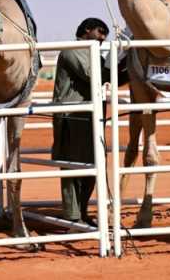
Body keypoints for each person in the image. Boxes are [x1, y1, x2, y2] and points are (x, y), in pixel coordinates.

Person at [51, 18, 127, 228]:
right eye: (100, 31)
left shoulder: (93, 53)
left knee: (95, 164)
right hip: (71, 116)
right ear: (86, 30)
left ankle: (81, 212)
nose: (103, 37)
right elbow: (94, 75)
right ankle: (72, 218)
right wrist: (119, 69)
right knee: (72, 167)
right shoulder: (73, 50)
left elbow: (107, 77)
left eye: (105, 34)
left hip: (91, 118)